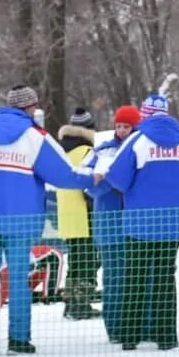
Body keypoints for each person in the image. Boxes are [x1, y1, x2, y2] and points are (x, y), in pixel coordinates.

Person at [0, 85, 95, 355]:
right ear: (30, 107)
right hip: (21, 219)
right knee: (19, 281)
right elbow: (62, 173)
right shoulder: (34, 136)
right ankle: (18, 340)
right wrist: (92, 178)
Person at [103, 93, 179, 351]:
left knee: (134, 278)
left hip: (138, 223)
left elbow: (118, 179)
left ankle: (130, 336)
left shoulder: (137, 140)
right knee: (165, 278)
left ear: (144, 114)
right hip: (173, 223)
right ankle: (166, 336)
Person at [86, 104, 140, 343]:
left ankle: (138, 325)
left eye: (126, 126)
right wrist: (112, 183)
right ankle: (115, 327)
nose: (121, 130)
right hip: (108, 223)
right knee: (114, 278)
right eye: (118, 126)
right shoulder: (102, 151)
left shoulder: (140, 149)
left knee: (136, 279)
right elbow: (88, 184)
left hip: (135, 224)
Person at [56, 108, 100, 320]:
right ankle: (81, 304)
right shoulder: (86, 152)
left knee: (76, 260)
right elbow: (91, 184)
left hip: (66, 216)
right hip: (85, 215)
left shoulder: (62, 152)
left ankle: (71, 303)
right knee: (89, 260)